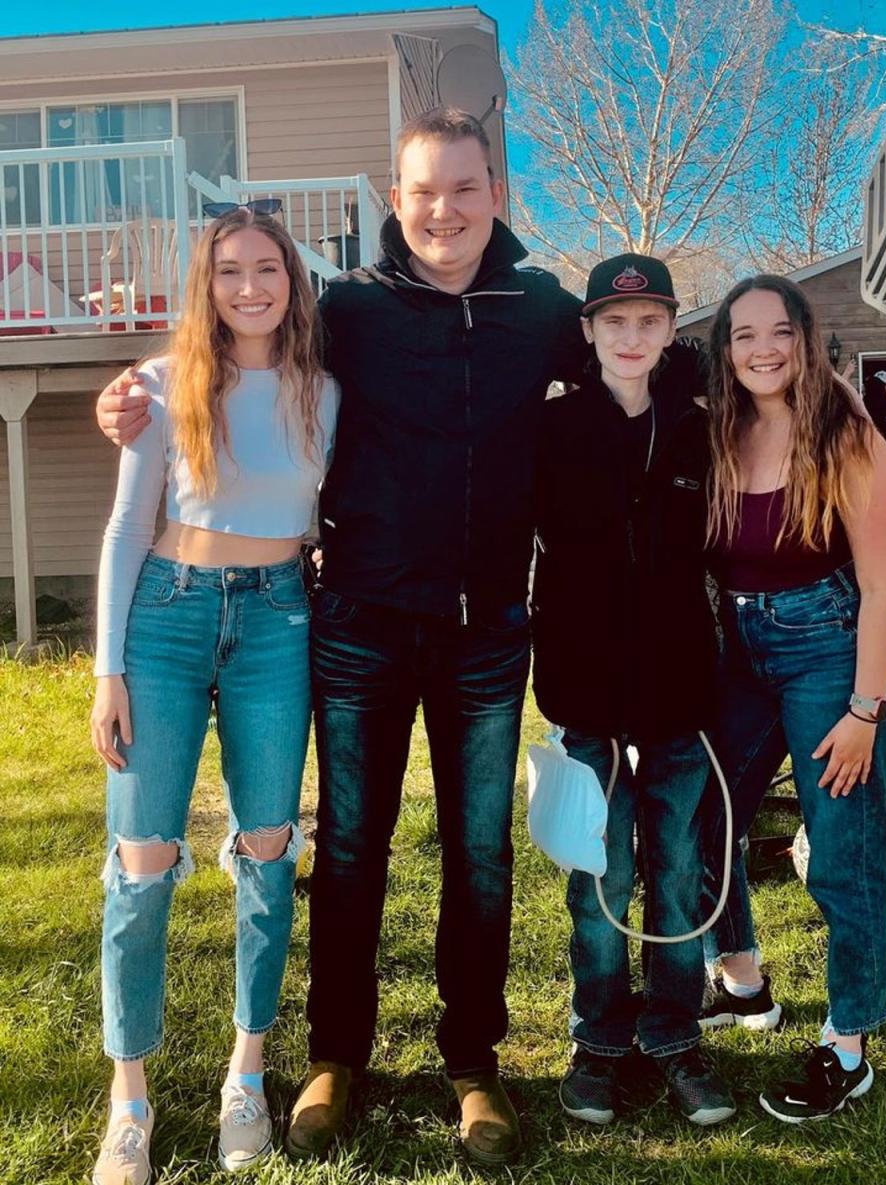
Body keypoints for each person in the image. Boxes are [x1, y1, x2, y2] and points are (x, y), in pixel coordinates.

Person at [95, 108, 587, 1166]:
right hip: (358, 625)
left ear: (494, 192)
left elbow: (635, 372)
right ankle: (334, 1056)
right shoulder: (353, 309)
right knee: (352, 849)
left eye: (464, 188)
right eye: (423, 192)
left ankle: (475, 1065)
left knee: (482, 854)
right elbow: (231, 340)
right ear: (395, 199)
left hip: (489, 631)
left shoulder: (541, 309)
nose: (443, 210)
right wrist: (127, 393)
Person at [89, 206, 338, 1183]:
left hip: (279, 621)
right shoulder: (159, 384)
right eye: (229, 270)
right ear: (207, 283)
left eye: (266, 268)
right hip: (166, 616)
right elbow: (121, 529)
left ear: (291, 280)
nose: (248, 287)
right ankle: (131, 1099)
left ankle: (247, 1077)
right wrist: (106, 669)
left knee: (269, 850)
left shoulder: (326, 392)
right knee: (141, 859)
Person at [531, 254, 737, 1128]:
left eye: (649, 321)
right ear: (587, 332)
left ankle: (676, 1035)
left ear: (669, 331)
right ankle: (600, 1039)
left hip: (680, 696)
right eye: (614, 323)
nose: (631, 337)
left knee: (681, 873)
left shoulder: (699, 430)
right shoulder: (551, 429)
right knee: (600, 877)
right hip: (584, 698)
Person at [699, 275, 886, 1123]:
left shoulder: (846, 430)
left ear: (805, 337)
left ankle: (848, 1042)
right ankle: (742, 982)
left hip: (831, 645)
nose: (763, 349)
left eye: (779, 331)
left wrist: (864, 709)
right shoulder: (715, 428)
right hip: (736, 653)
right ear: (723, 350)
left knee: (844, 846)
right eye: (743, 334)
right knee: (697, 815)